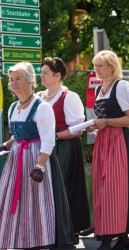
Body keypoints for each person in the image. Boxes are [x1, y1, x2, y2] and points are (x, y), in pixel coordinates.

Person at [0, 62, 73, 249]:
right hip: (16, 162)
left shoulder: (42, 107)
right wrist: (4, 145)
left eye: (18, 79)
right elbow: (16, 137)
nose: (14, 83)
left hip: (35, 159)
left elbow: (48, 140)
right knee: (15, 201)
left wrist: (39, 167)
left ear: (31, 82)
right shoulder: (13, 107)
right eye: (11, 80)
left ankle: (36, 241)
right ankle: (18, 239)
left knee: (36, 204)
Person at [87, 50, 129, 250]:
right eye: (95, 65)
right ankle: (122, 238)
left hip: (118, 141)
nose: (96, 69)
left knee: (114, 189)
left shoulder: (121, 85)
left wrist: (106, 122)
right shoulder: (102, 88)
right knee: (102, 188)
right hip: (103, 141)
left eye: (100, 65)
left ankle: (109, 239)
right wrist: (94, 125)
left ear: (111, 67)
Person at [39, 57, 90, 244]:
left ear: (57, 75)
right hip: (46, 146)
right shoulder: (39, 96)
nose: (41, 76)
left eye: (45, 73)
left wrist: (56, 137)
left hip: (64, 146)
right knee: (46, 189)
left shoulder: (69, 97)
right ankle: (49, 229)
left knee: (64, 187)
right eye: (42, 72)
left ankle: (69, 230)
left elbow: (78, 128)